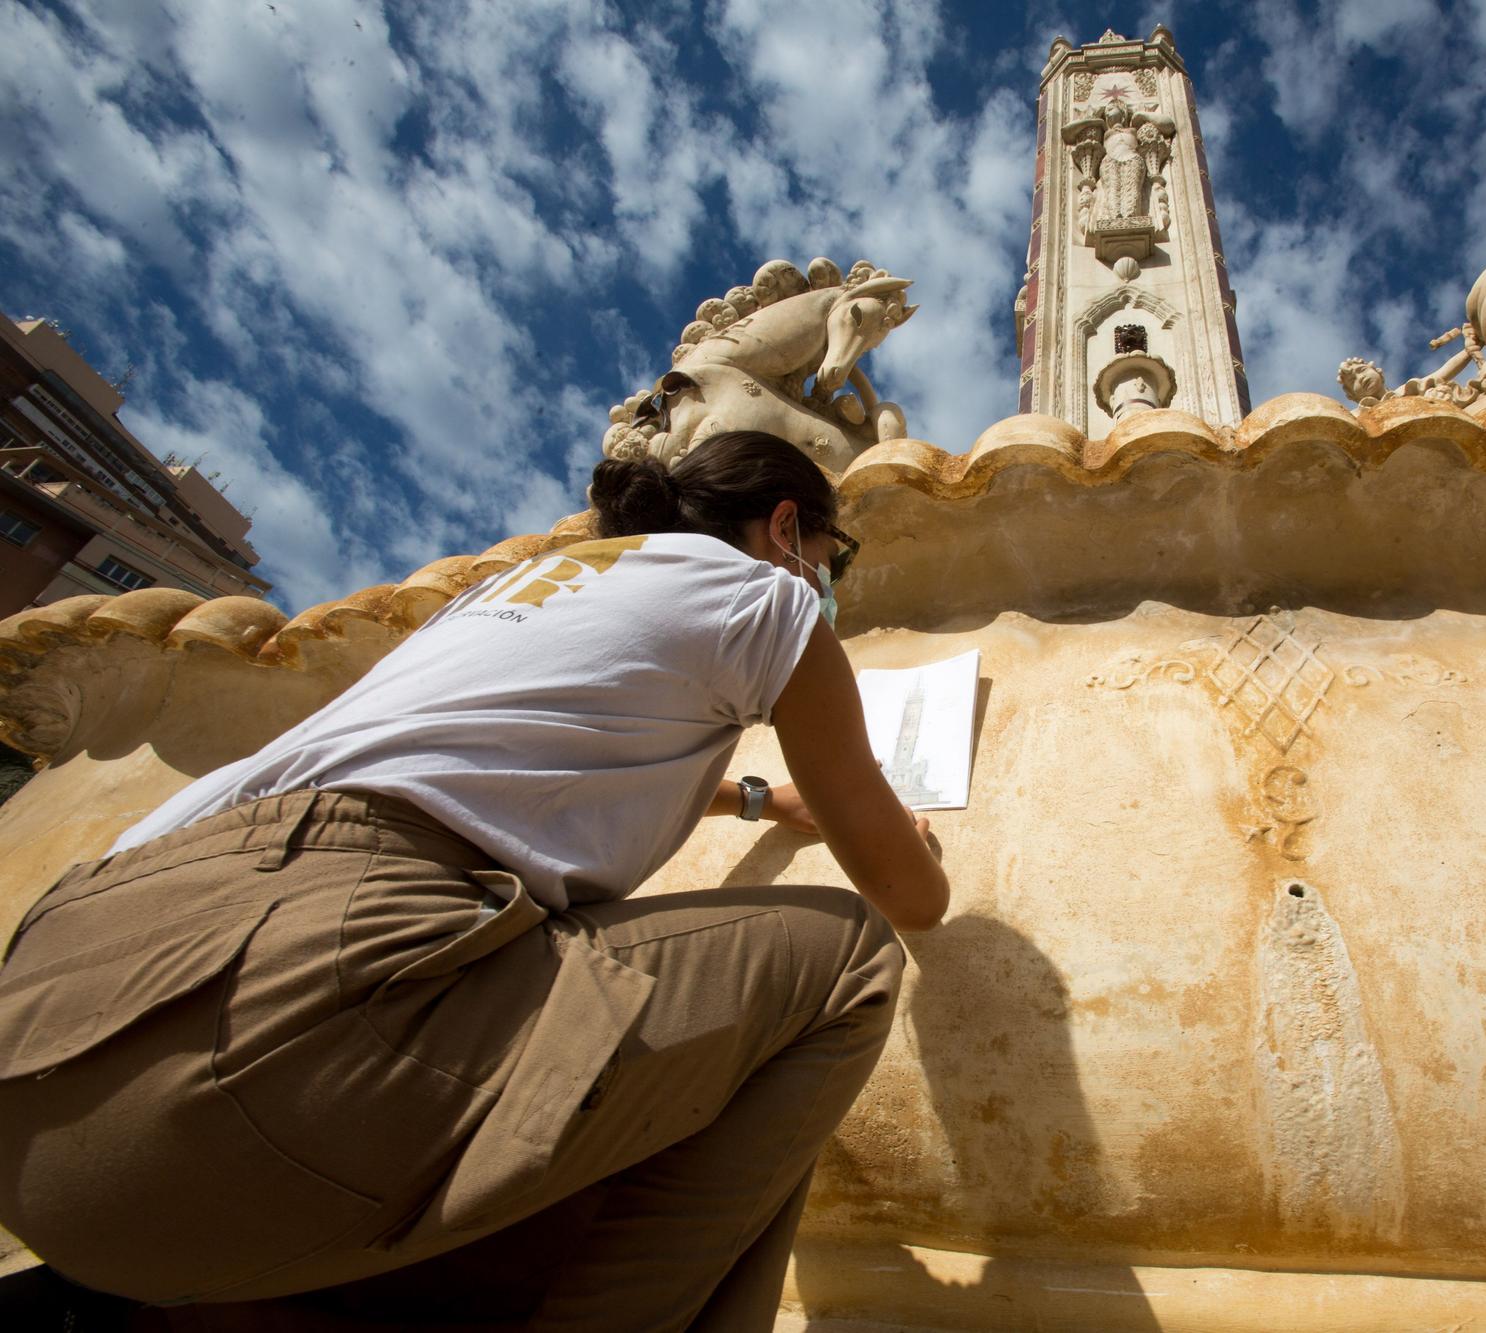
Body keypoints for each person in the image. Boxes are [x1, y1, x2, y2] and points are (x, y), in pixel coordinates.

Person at [0, 429, 948, 1329]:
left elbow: (493, 752)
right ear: (786, 529)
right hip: (275, 1016)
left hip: (50, 1036)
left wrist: (749, 799)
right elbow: (910, 896)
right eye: (836, 555)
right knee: (849, 960)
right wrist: (917, 852)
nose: (830, 582)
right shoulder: (767, 596)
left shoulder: (522, 588)